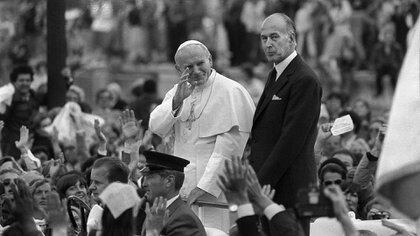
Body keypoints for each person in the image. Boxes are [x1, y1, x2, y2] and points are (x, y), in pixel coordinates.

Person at [149, 40, 255, 231]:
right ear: (178, 69)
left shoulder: (231, 91)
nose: (196, 71)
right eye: (189, 67)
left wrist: (204, 187)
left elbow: (230, 148)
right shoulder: (177, 91)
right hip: (181, 189)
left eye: (200, 63)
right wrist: (177, 100)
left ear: (210, 60)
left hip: (215, 192)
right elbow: (155, 126)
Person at [248, 13, 322, 233]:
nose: (268, 44)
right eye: (263, 39)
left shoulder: (304, 79)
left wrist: (258, 184)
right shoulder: (276, 73)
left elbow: (291, 141)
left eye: (274, 37)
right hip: (272, 187)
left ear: (291, 38)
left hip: (289, 189)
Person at [140, 150, 206, 236]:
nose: (144, 184)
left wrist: (152, 233)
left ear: (169, 181)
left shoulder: (184, 219)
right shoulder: (155, 211)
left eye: (149, 177)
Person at [0, 65, 42, 159]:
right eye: (21, 80)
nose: (25, 83)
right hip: (12, 144)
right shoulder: (8, 99)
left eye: (27, 80)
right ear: (14, 82)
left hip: (31, 142)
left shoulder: (33, 96)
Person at [86, 157, 130, 235]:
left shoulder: (136, 217)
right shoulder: (93, 215)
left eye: (97, 182)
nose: (91, 187)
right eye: (91, 181)